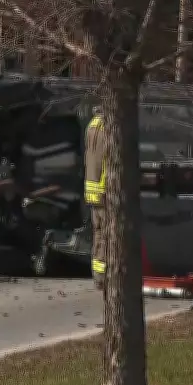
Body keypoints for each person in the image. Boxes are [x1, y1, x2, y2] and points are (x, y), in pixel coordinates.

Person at [84, 106, 108, 290]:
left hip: (92, 189)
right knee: (107, 236)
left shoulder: (92, 125)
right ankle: (104, 276)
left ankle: (98, 275)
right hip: (105, 190)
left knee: (98, 233)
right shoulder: (109, 128)